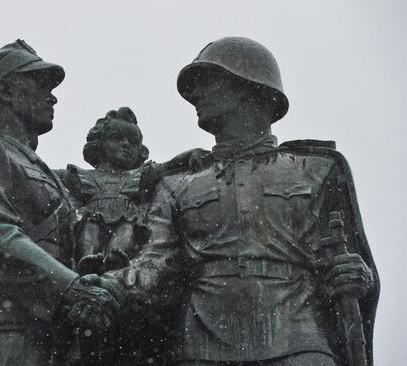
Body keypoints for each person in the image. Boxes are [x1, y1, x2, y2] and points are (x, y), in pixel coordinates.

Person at [93, 37, 379, 366]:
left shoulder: (318, 169)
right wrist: (108, 286)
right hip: (202, 349)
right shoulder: (176, 184)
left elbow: (345, 264)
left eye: (206, 82)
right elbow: (157, 264)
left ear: (247, 87)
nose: (194, 96)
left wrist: (360, 278)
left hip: (300, 344)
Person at [0, 40, 119, 366]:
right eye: (40, 83)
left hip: (53, 332)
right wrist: (71, 288)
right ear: (6, 89)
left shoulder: (42, 170)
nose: (52, 96)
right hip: (4, 329)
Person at [58, 106, 204, 365]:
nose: (126, 145)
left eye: (133, 141)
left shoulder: (143, 177)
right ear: (99, 145)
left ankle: (116, 267)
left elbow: (171, 165)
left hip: (129, 243)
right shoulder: (79, 178)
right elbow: (45, 177)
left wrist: (191, 155)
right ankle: (90, 265)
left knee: (128, 230)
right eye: (117, 139)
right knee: (87, 225)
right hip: (90, 235)